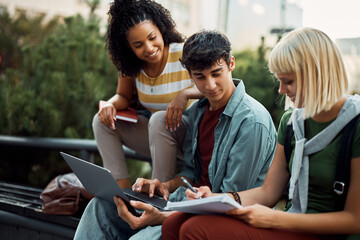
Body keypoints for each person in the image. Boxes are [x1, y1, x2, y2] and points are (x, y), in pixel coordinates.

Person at [74, 30, 277, 240]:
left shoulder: (252, 122)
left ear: (231, 64)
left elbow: (230, 201)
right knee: (101, 206)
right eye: (200, 76)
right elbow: (192, 171)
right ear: (189, 75)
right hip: (183, 203)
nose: (209, 85)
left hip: (212, 218)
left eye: (216, 73)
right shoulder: (198, 111)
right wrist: (165, 186)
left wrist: (163, 216)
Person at [162, 27, 360, 240]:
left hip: (325, 234)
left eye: (289, 81)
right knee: (175, 223)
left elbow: (355, 220)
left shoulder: (354, 124)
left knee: (195, 230)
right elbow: (268, 192)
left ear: (317, 74)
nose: (281, 90)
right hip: (290, 223)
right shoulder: (291, 122)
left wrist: (275, 219)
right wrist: (216, 198)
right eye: (280, 81)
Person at [93, 0, 203, 188]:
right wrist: (110, 105)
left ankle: (157, 191)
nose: (149, 48)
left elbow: (214, 85)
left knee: (159, 119)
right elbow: (124, 97)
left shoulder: (184, 53)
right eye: (138, 45)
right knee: (101, 121)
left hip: (192, 137)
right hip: (158, 137)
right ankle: (120, 190)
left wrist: (184, 95)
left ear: (161, 29)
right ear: (129, 47)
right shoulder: (131, 66)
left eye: (152, 37)